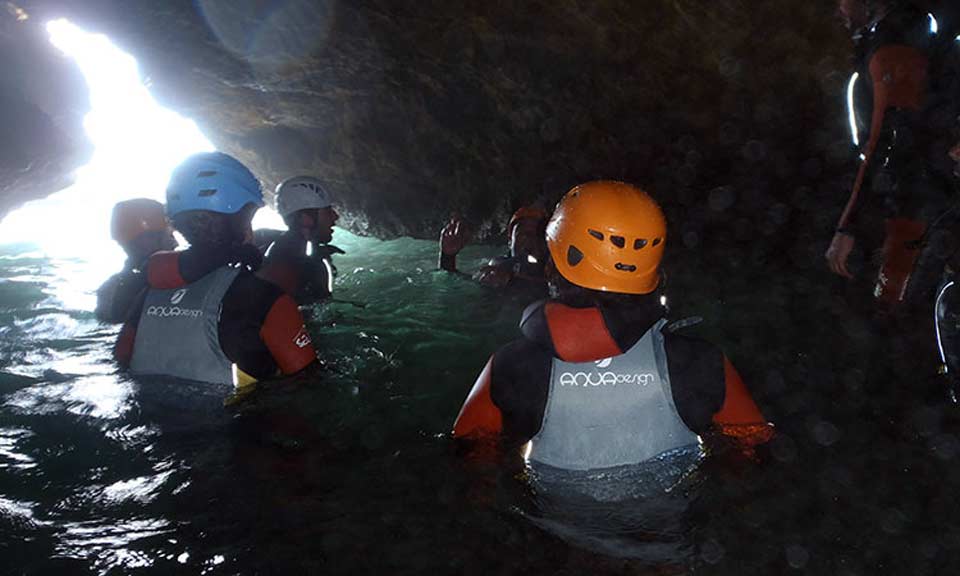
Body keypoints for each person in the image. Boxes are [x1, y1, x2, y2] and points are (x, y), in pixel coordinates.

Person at [453, 181, 773, 470]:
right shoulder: (702, 363)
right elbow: (752, 454)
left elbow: (471, 464)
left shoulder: (511, 366)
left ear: (553, 266)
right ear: (654, 267)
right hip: (672, 533)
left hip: (550, 529)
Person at [114, 152, 317, 387]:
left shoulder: (146, 296)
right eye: (249, 215)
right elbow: (310, 386)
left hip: (151, 420)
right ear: (239, 219)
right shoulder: (268, 301)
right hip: (240, 421)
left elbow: (121, 363)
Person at [826, 0, 960, 309]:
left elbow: (888, 137)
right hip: (924, 201)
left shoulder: (894, 42)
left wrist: (848, 227)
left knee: (896, 310)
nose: (838, 12)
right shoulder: (906, 36)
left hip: (923, 204)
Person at [257, 176, 343, 306]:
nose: (335, 217)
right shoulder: (287, 264)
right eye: (328, 211)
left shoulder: (297, 251)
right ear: (305, 219)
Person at [95, 198, 177, 324]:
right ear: (144, 240)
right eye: (169, 235)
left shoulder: (109, 291)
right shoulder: (181, 275)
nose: (175, 243)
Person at [439, 206, 549, 289]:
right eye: (522, 233)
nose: (529, 238)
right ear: (510, 240)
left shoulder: (554, 270)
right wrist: (448, 257)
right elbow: (456, 285)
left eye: (536, 234)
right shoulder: (499, 267)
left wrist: (513, 280)